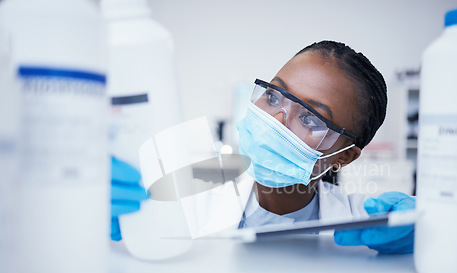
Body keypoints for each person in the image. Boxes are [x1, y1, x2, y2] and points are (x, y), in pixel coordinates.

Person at [110, 40, 415, 254]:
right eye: (273, 97)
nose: (277, 122)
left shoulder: (367, 222)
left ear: (344, 156)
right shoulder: (189, 191)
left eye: (311, 118)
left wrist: (429, 232)